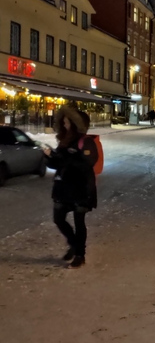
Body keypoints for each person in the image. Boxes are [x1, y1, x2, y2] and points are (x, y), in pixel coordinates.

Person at [44, 106, 98, 269]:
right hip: (63, 186)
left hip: (81, 187)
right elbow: (56, 165)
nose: (65, 124)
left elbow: (88, 164)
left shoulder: (85, 142)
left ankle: (79, 255)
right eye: (63, 122)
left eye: (67, 122)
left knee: (79, 221)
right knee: (58, 218)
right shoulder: (64, 141)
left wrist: (66, 158)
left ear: (75, 124)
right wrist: (49, 157)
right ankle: (74, 244)